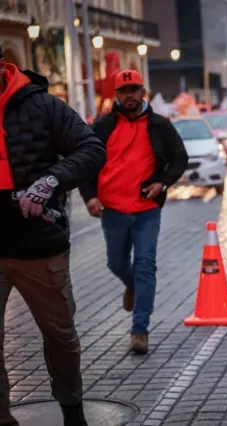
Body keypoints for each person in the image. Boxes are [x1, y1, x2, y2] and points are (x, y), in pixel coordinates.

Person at [0, 45, 106, 425]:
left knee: (60, 336)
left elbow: (91, 148)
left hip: (39, 246)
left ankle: (72, 410)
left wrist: (50, 181)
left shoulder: (42, 105)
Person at [79, 70, 188, 355]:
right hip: (112, 210)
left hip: (146, 209)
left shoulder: (160, 125)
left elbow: (180, 158)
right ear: (116, 95)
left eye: (134, 89)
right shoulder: (102, 127)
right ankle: (131, 284)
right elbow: (85, 163)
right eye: (124, 91)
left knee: (145, 264)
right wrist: (90, 196)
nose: (130, 95)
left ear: (143, 92)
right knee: (116, 263)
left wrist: (162, 182)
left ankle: (139, 330)